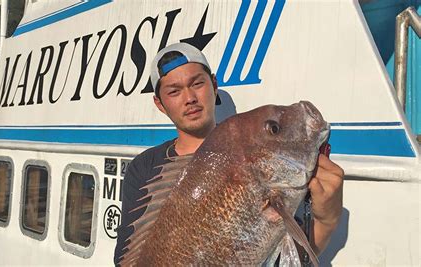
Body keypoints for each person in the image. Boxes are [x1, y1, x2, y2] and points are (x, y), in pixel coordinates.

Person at [114, 42, 344, 265]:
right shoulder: (143, 168)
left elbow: (289, 260)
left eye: (197, 83)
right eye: (174, 91)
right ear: (160, 104)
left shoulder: (271, 166)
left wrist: (327, 220)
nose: (189, 98)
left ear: (214, 85)